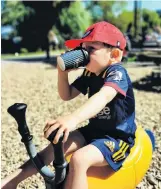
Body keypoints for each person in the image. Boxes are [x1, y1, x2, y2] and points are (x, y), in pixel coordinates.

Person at [1, 21, 136, 189]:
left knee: (79, 159)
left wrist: (73, 118)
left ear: (114, 55)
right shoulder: (90, 72)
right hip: (93, 131)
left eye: (90, 50)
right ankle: (8, 183)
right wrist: (62, 74)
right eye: (82, 49)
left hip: (117, 138)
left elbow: (104, 96)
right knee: (52, 150)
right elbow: (67, 95)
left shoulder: (117, 72)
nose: (83, 54)